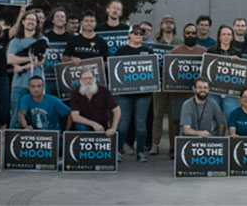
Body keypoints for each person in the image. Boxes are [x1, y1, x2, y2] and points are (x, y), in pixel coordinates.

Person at [112, 23, 153, 162]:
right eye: (135, 33)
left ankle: (140, 152)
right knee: (122, 125)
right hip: (124, 95)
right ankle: (118, 151)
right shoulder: (121, 51)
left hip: (143, 95)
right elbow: (114, 71)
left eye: (141, 34)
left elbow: (153, 73)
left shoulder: (148, 51)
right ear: (129, 35)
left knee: (141, 125)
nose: (138, 36)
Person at [168, 23, 207, 158]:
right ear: (183, 34)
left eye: (193, 33)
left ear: (196, 35)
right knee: (175, 121)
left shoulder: (203, 52)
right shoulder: (175, 51)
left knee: (197, 122)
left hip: (197, 96)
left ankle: (194, 148)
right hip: (179, 94)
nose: (190, 35)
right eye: (188, 33)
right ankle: (173, 148)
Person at [7, 10, 48, 128]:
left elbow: (41, 60)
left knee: (37, 116)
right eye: (28, 19)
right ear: (23, 22)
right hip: (19, 84)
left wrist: (22, 67)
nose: (31, 22)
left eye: (33, 20)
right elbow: (10, 60)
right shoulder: (15, 41)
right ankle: (13, 143)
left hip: (37, 84)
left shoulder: (43, 40)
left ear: (37, 23)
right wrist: (31, 58)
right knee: (16, 116)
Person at [149, 15, 182, 156]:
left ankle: (172, 146)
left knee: (173, 116)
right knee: (157, 115)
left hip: (175, 85)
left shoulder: (180, 42)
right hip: (160, 84)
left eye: (171, 23)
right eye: (166, 23)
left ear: (174, 26)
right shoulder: (155, 42)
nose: (168, 25)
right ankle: (155, 145)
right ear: (161, 26)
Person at [69, 69, 121, 137]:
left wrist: (113, 128)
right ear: (80, 80)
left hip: (102, 124)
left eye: (90, 78)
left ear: (94, 79)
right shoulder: (75, 93)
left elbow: (117, 110)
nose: (88, 81)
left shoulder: (104, 90)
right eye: (85, 78)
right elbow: (75, 117)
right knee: (81, 127)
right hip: (85, 124)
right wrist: (93, 124)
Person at [207, 24, 242, 121]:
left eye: (229, 34)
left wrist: (238, 62)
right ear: (219, 37)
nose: (226, 37)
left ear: (232, 37)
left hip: (230, 91)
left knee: (231, 115)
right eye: (224, 34)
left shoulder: (237, 53)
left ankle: (232, 135)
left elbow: (241, 73)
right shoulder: (210, 52)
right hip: (213, 90)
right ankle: (215, 135)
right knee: (214, 117)